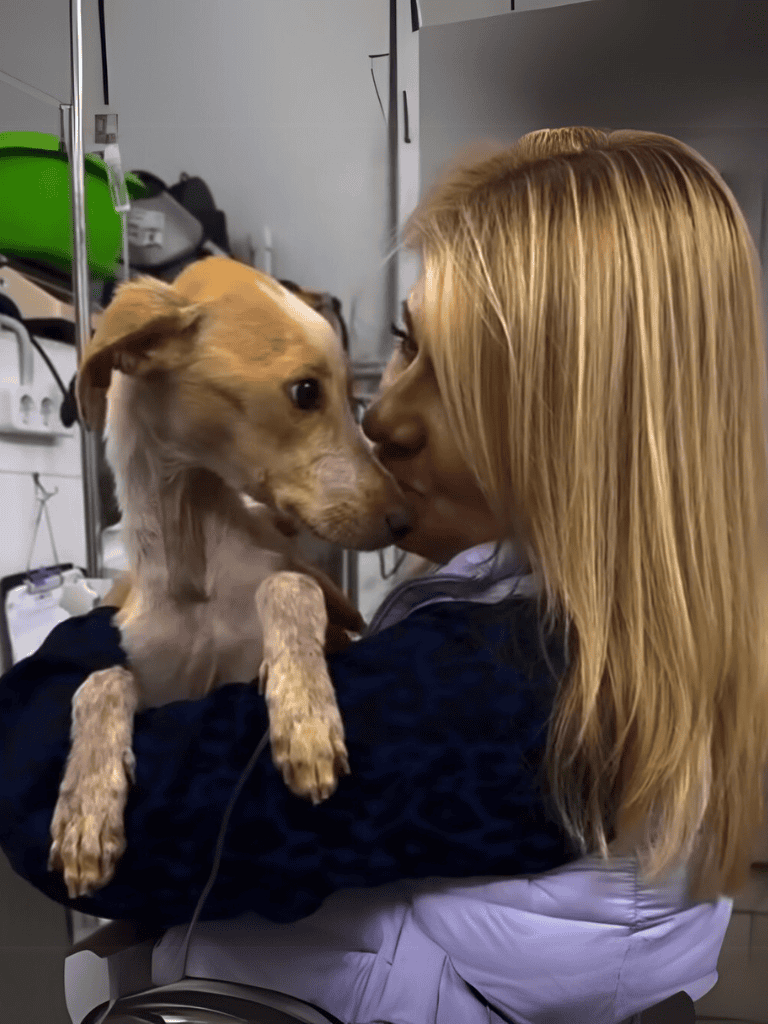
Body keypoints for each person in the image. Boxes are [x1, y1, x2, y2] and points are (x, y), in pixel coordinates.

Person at [1, 125, 766, 1022]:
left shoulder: (496, 692)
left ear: (587, 430)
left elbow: (55, 806)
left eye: (465, 383)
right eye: (409, 346)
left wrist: (133, 600)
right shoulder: (626, 631)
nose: (387, 418)